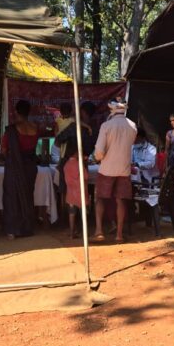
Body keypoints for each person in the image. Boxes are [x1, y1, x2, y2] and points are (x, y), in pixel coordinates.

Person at [92, 99, 137, 243]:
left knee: (100, 198)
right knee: (120, 200)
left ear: (112, 111)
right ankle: (119, 235)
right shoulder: (133, 126)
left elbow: (99, 151)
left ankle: (99, 231)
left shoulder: (106, 125)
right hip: (124, 169)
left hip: (107, 169)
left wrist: (99, 158)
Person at [1, 100, 40, 239]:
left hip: (15, 167)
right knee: (27, 196)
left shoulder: (12, 130)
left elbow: (4, 150)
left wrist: (14, 159)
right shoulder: (35, 127)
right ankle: (27, 228)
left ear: (16, 112)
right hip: (30, 166)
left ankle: (13, 230)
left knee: (12, 197)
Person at [62, 138, 89, 239]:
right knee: (83, 213)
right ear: (76, 153)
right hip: (81, 191)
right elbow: (86, 176)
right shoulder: (79, 164)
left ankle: (72, 232)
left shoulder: (66, 165)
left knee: (72, 213)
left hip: (71, 192)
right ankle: (84, 232)